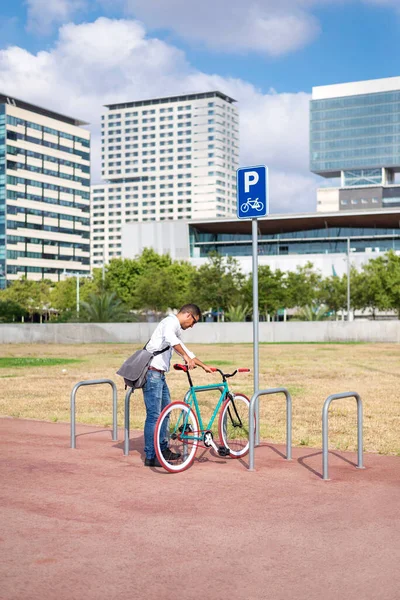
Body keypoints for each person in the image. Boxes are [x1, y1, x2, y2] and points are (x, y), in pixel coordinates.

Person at [142, 303, 212, 467]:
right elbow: (172, 341)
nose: (192, 326)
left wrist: (204, 366)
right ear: (188, 315)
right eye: (194, 322)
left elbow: (186, 350)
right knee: (154, 416)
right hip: (152, 373)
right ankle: (152, 456)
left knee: (165, 413)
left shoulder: (175, 327)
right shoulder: (170, 323)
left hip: (159, 374)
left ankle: (162, 449)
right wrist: (186, 358)